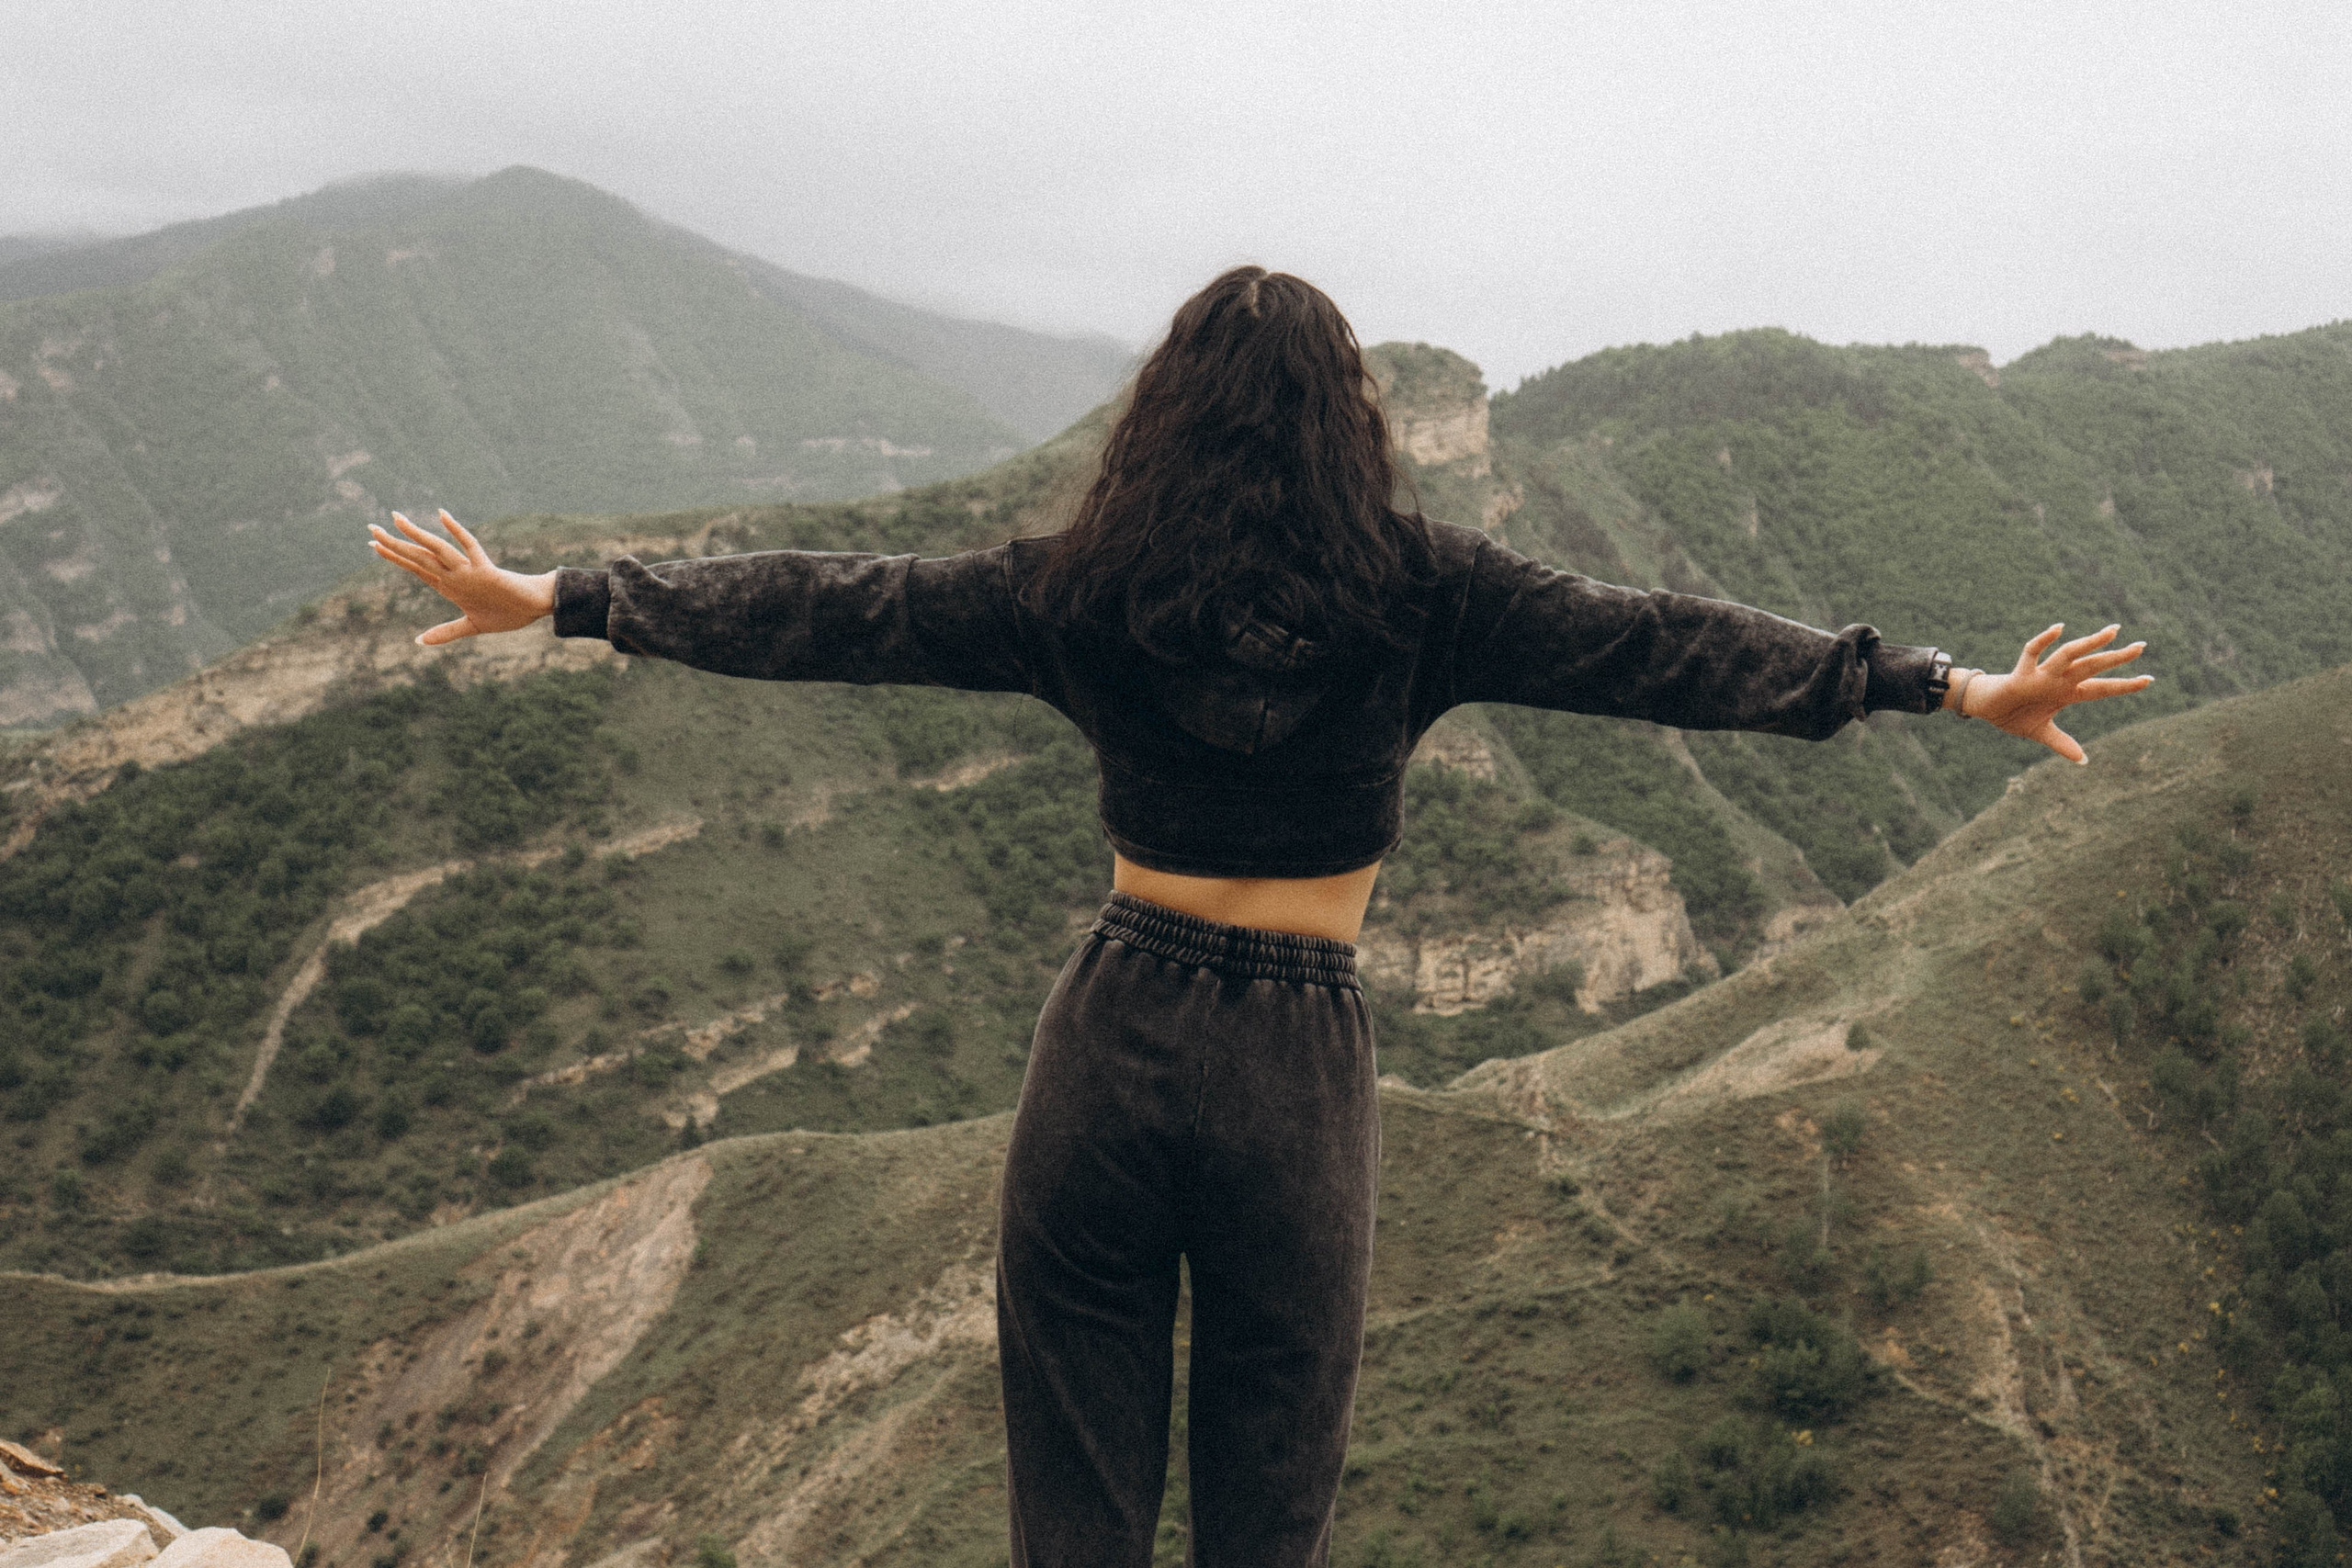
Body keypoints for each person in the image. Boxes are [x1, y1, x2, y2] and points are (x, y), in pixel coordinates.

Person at [366, 265, 2152, 1568]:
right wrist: (1936, 685)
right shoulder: (1423, 590)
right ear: (1348, 425)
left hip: (1112, 1019)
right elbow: (1662, 645)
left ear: (1160, 422)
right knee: (1265, 1480)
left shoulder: (1077, 587)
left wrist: (569, 597)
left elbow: (843, 606)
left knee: (1071, 1479)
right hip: (1292, 1052)